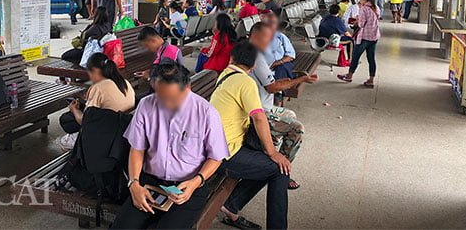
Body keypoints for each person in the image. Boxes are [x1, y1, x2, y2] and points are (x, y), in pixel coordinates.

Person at [111, 61, 229, 229]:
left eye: (173, 98)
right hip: (151, 182)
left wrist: (196, 181)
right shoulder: (146, 105)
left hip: (189, 185)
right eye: (161, 97)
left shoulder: (206, 113)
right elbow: (137, 149)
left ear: (187, 87)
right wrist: (134, 184)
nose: (166, 104)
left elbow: (215, 157)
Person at [212, 42, 291, 230]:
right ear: (254, 65)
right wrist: (272, 152)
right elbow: (259, 118)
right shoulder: (246, 82)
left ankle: (232, 205)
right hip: (225, 153)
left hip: (219, 145)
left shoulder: (225, 75)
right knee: (279, 170)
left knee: (267, 163)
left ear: (231, 58)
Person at [240, 22, 316, 192]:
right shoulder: (254, 56)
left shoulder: (253, 52)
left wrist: (287, 81)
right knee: (297, 129)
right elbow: (271, 87)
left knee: (290, 114)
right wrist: (299, 80)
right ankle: (281, 170)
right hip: (258, 111)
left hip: (263, 106)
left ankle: (271, 152)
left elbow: (270, 82)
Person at [58, 53, 136, 199]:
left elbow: (86, 122)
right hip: (123, 133)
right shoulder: (124, 82)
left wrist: (74, 109)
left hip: (105, 138)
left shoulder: (99, 87)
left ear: (95, 71)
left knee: (64, 137)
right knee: (68, 120)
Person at [339, 0, 381, 88]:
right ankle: (371, 79)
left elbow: (361, 24)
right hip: (374, 36)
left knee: (355, 56)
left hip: (364, 37)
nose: (360, 1)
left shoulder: (364, 9)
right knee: (371, 58)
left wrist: (357, 20)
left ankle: (349, 75)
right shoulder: (376, 8)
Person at [260, 13, 298, 81]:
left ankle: (280, 90)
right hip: (265, 66)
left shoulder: (280, 36)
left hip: (282, 63)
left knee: (281, 68)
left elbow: (291, 55)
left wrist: (277, 63)